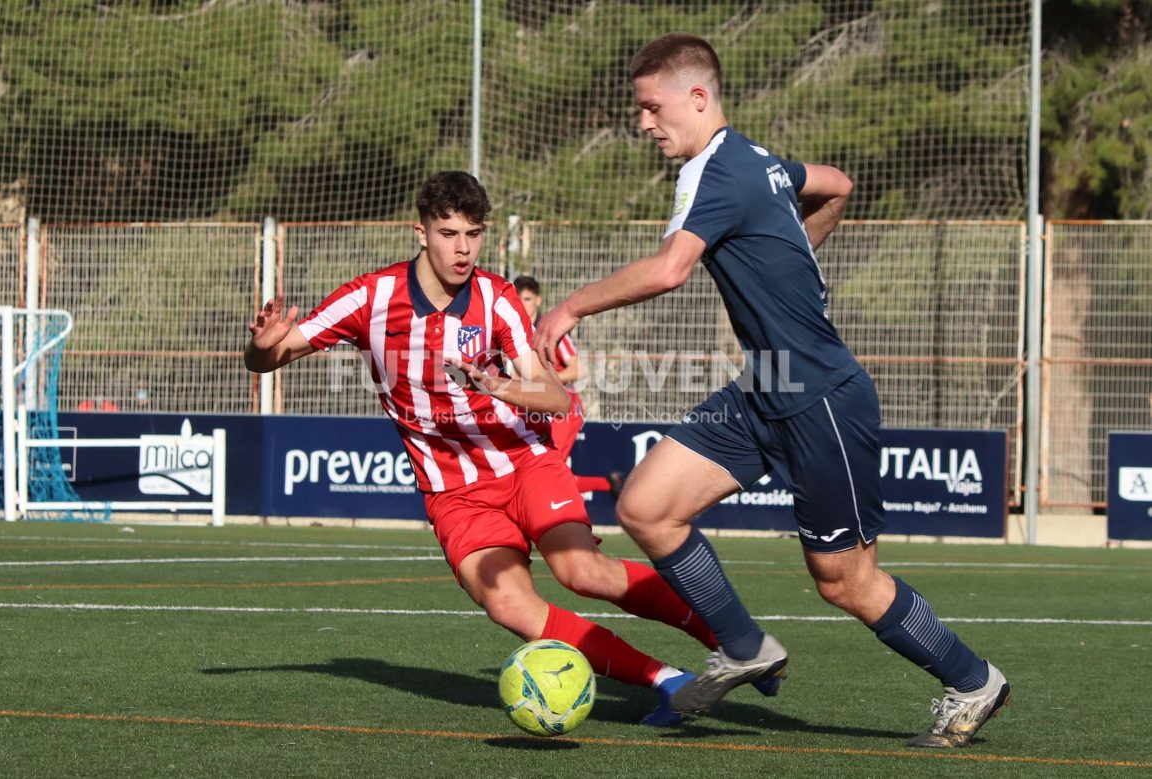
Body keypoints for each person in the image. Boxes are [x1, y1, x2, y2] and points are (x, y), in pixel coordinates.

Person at [535, 33, 1010, 749]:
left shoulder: (713, 169)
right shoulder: (755, 160)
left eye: (650, 106)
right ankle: (744, 644)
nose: (642, 122)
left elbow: (670, 270)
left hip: (819, 394)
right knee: (647, 506)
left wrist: (569, 306)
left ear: (698, 97)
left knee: (845, 579)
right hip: (766, 385)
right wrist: (791, 253)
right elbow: (837, 183)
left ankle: (974, 679)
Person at [245, 170, 734, 727]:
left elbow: (553, 396)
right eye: (449, 233)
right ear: (420, 233)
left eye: (473, 234)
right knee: (509, 604)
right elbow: (273, 356)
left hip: (523, 460)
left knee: (582, 571)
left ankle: (731, 638)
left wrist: (500, 385)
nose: (462, 248)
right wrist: (260, 349)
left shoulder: (496, 297)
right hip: (452, 491)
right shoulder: (370, 297)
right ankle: (668, 682)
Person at [512, 274, 625, 499]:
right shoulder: (517, 333)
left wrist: (542, 384)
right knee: (540, 474)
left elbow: (577, 370)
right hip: (540, 413)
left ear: (538, 301)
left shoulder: (549, 331)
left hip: (565, 412)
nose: (522, 304)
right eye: (518, 299)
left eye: (527, 299)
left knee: (546, 475)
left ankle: (572, 525)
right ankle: (608, 484)